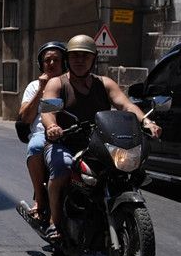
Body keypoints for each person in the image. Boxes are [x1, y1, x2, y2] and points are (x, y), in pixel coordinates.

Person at [40, 33, 162, 241]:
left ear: (93, 59)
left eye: (85, 56)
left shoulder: (104, 83)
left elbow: (126, 105)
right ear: (68, 58)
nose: (80, 60)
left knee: (125, 171)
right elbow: (47, 109)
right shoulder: (57, 84)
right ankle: (55, 222)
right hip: (65, 142)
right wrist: (52, 126)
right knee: (61, 169)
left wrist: (146, 122)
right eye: (75, 56)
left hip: (99, 144)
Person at [19, 41, 68, 221]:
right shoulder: (33, 86)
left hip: (72, 132)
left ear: (64, 62)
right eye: (47, 60)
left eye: (56, 59)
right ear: (41, 64)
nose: (52, 64)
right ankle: (40, 198)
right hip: (43, 133)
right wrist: (41, 89)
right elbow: (25, 117)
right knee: (34, 148)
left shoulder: (71, 83)